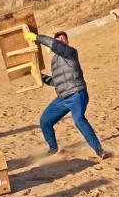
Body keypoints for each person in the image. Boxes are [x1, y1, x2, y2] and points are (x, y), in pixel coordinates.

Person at [24, 30, 108, 159]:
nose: (61, 40)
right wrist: (39, 76)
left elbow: (53, 44)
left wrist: (35, 37)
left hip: (77, 94)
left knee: (78, 119)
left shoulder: (71, 52)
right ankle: (53, 149)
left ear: (67, 41)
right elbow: (56, 82)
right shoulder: (54, 61)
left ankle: (99, 149)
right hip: (62, 99)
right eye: (58, 39)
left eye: (63, 38)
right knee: (45, 121)